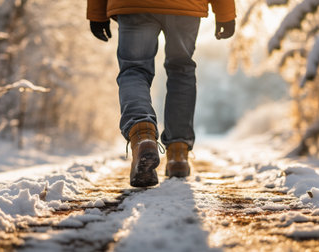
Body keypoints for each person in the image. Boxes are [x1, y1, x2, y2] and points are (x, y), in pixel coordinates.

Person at [87, 0, 236, 187]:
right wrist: (225, 12)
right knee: (181, 71)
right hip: (186, 6)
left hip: (135, 6)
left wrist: (97, 11)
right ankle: (178, 154)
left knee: (134, 70)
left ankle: (143, 135)